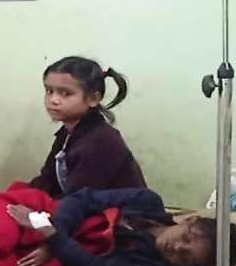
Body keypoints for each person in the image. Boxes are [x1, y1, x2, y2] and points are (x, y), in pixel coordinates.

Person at [7, 187, 236, 266]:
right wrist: (49, 232)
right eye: (186, 237)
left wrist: (51, 236)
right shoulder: (146, 202)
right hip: (51, 216)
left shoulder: (147, 262)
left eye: (185, 258)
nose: (176, 248)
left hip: (52, 240)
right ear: (190, 220)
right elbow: (83, 199)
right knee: (3, 216)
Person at [29, 56, 147, 197]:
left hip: (119, 209)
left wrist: (35, 209)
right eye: (49, 91)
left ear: (93, 99)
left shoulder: (101, 140)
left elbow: (82, 199)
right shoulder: (66, 133)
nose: (53, 100)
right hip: (80, 202)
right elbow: (47, 179)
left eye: (65, 93)